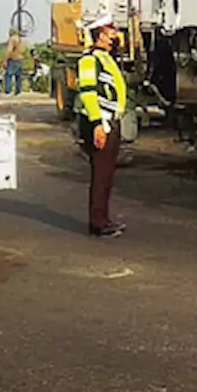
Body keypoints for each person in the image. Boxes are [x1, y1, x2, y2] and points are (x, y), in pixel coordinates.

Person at [76, 12, 127, 238]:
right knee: (101, 173)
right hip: (100, 122)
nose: (113, 36)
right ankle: (97, 222)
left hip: (110, 120)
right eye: (109, 33)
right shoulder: (89, 60)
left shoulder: (105, 57)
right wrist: (97, 124)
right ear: (99, 35)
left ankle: (103, 218)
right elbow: (88, 93)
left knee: (107, 175)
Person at [3, 29, 25, 95]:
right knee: (18, 76)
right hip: (20, 59)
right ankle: (18, 91)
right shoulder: (20, 39)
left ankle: (8, 91)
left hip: (13, 59)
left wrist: (5, 60)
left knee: (8, 75)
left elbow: (9, 50)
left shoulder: (12, 39)